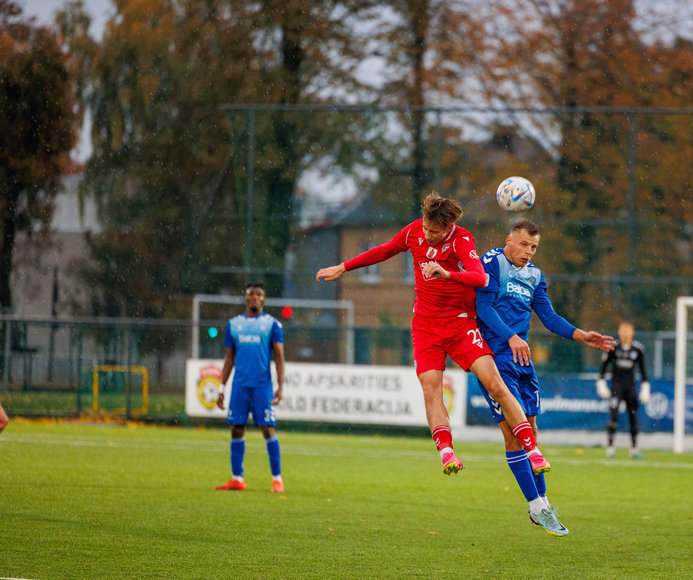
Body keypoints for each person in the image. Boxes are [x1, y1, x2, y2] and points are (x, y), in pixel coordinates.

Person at [315, 192, 551, 476]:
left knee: (495, 384)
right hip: (426, 326)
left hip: (461, 325)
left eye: (435, 232)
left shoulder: (462, 240)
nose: (428, 235)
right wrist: (343, 267)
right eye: (426, 229)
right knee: (430, 388)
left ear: (449, 226)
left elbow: (481, 278)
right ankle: (447, 452)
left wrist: (447, 273)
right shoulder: (415, 231)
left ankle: (533, 450)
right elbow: (384, 250)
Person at [476, 218, 615, 537]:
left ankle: (542, 505)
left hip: (522, 361)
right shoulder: (491, 263)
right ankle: (537, 506)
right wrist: (510, 336)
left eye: (534, 247)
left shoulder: (535, 276)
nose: (528, 252)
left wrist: (582, 335)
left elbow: (549, 318)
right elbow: (483, 308)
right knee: (513, 434)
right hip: (495, 361)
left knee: (531, 431)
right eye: (524, 244)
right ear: (509, 240)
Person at [215, 282, 286, 493]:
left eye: (259, 294)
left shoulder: (272, 325)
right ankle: (237, 479)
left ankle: (277, 479)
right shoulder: (234, 324)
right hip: (239, 386)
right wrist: (221, 388)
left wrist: (280, 386)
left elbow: (280, 357)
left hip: (262, 386)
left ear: (264, 299)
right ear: (246, 298)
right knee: (236, 428)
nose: (254, 297)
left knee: (267, 428)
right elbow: (229, 359)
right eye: (251, 294)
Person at [597, 321, 650, 459]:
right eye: (623, 330)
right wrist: (601, 383)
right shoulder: (613, 348)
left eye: (628, 330)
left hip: (630, 388)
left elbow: (644, 371)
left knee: (633, 418)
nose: (626, 333)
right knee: (613, 417)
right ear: (619, 332)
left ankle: (634, 450)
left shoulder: (638, 350)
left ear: (633, 332)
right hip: (616, 388)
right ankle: (610, 448)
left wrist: (645, 387)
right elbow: (603, 368)